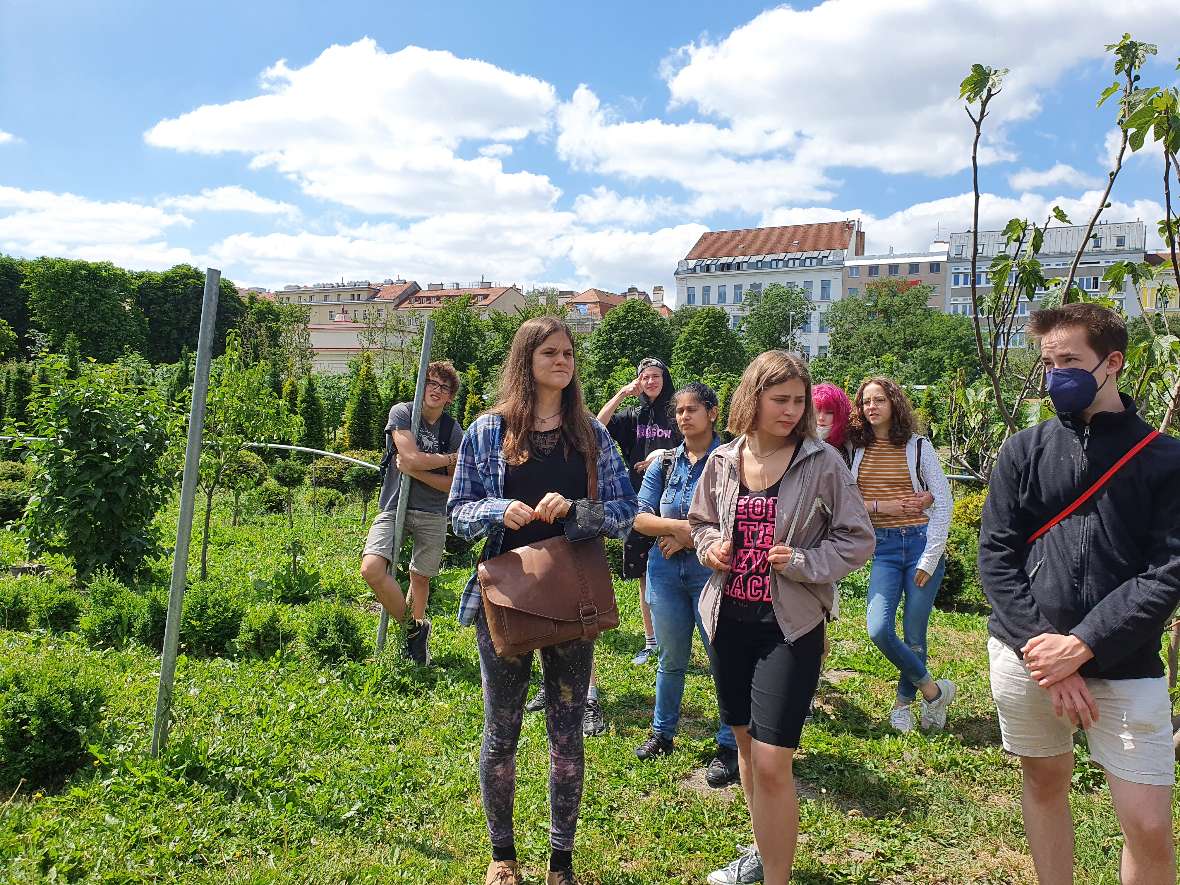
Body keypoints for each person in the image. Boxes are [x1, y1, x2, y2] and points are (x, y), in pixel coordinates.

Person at [979, 303, 1180, 885]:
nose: (1055, 375)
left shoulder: (1166, 459)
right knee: (1043, 781)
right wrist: (1048, 652)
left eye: (1070, 360)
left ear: (1112, 363)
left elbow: (1166, 571)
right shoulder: (1024, 450)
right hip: (1028, 656)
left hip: (1125, 662)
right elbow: (996, 555)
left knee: (1146, 823)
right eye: (1047, 362)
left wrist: (1084, 645)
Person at [448, 316, 638, 885]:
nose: (562, 360)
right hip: (505, 598)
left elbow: (627, 514)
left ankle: (561, 861)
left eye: (568, 352)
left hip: (572, 597)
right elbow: (458, 513)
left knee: (567, 730)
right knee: (501, 729)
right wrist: (494, 509)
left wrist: (578, 511)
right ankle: (502, 856)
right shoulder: (489, 429)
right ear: (526, 360)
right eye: (549, 352)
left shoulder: (590, 435)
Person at [689, 351, 874, 885]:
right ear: (753, 397)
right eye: (780, 400)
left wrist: (803, 562)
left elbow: (858, 539)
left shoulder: (822, 463)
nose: (793, 411)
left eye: (799, 401)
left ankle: (776, 878)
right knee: (745, 747)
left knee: (773, 760)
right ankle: (763, 851)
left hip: (789, 627)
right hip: (728, 621)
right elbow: (699, 521)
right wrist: (710, 547)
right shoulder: (724, 459)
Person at [630, 382, 739, 788]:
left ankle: (729, 744)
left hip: (711, 571)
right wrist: (685, 530)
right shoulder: (666, 462)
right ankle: (663, 734)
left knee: (721, 659)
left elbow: (734, 524)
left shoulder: (731, 461)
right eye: (679, 411)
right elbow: (639, 517)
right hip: (665, 568)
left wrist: (686, 537)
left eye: (692, 409)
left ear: (712, 413)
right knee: (671, 658)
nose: (683, 417)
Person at [848, 377, 954, 734]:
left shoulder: (918, 447)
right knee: (878, 628)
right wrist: (884, 506)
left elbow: (942, 501)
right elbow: (848, 505)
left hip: (922, 544)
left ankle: (903, 706)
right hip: (886, 547)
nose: (871, 407)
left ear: (894, 403)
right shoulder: (856, 450)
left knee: (914, 633)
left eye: (879, 400)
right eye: (865, 402)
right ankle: (933, 691)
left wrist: (929, 558)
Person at [360, 360, 464, 666]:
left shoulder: (452, 429)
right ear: (420, 386)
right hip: (395, 505)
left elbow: (452, 484)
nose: (435, 390)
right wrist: (443, 459)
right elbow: (407, 455)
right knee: (372, 569)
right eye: (430, 383)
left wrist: (417, 471)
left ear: (449, 397)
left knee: (420, 578)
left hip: (433, 512)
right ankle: (413, 629)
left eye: (443, 387)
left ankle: (413, 651)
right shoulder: (402, 412)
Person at [598, 357, 681, 665]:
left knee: (673, 570)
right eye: (644, 377)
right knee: (643, 573)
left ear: (665, 378)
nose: (650, 381)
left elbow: (695, 446)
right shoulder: (633, 416)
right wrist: (621, 394)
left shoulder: (676, 412)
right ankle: (650, 642)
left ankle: (674, 641)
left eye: (655, 375)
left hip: (672, 501)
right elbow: (597, 426)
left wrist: (662, 455)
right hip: (637, 502)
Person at [812, 382, 853, 466]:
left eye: (829, 412)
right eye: (817, 411)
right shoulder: (796, 444)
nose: (821, 418)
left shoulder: (849, 447)